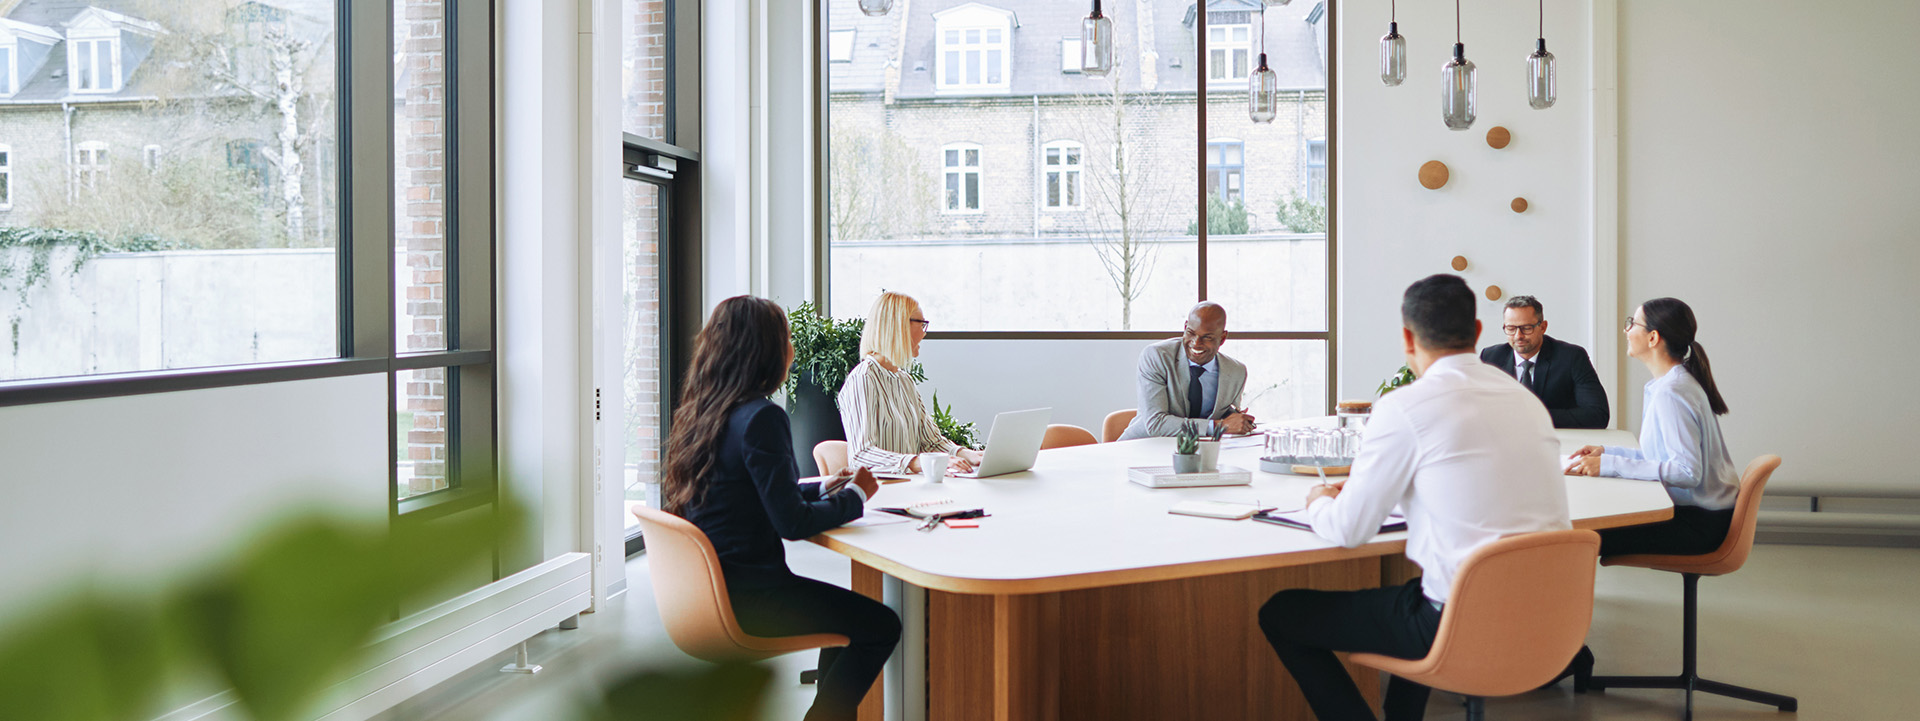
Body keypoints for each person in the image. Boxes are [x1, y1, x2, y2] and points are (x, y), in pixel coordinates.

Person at [1258, 274, 1572, 721]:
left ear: (1407, 337)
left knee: (1281, 612)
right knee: (1413, 591)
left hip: (1458, 622)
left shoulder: (1406, 406)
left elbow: (1348, 531)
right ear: (1480, 332)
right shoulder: (1525, 402)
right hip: (1550, 618)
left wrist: (1318, 499)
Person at [663, 295, 899, 721]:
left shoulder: (703, 414)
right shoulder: (762, 418)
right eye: (787, 338)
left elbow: (751, 494)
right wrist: (858, 495)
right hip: (753, 598)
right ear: (766, 350)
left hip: (707, 595)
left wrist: (822, 485)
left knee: (844, 620)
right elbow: (792, 523)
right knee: (882, 626)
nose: (792, 349)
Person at [1565, 298, 1737, 556]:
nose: (1626, 330)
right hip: (1701, 515)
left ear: (1653, 337)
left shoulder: (1672, 393)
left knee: (1576, 536)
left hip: (1698, 524)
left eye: (1632, 323)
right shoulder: (1671, 384)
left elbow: (1688, 472)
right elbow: (1661, 456)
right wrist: (1607, 454)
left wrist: (1611, 466)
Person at [838, 291, 984, 475]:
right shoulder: (863, 378)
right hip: (883, 491)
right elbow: (861, 455)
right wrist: (918, 463)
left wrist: (968, 455)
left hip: (911, 486)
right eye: (922, 324)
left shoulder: (904, 380)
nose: (924, 333)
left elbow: (930, 442)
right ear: (898, 326)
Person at [1118, 301, 1256, 440]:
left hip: (1200, 452)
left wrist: (1238, 420)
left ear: (1222, 338)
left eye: (1207, 337)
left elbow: (1224, 414)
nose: (1196, 343)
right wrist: (1217, 426)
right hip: (1142, 447)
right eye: (1191, 333)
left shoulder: (1236, 372)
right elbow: (1156, 423)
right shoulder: (1157, 356)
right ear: (1185, 327)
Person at [1478, 295, 1610, 429]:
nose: (1518, 336)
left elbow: (1598, 415)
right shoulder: (1490, 357)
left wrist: (1533, 417)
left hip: (1558, 441)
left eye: (1527, 328)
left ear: (1543, 327)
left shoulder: (1572, 357)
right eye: (1511, 329)